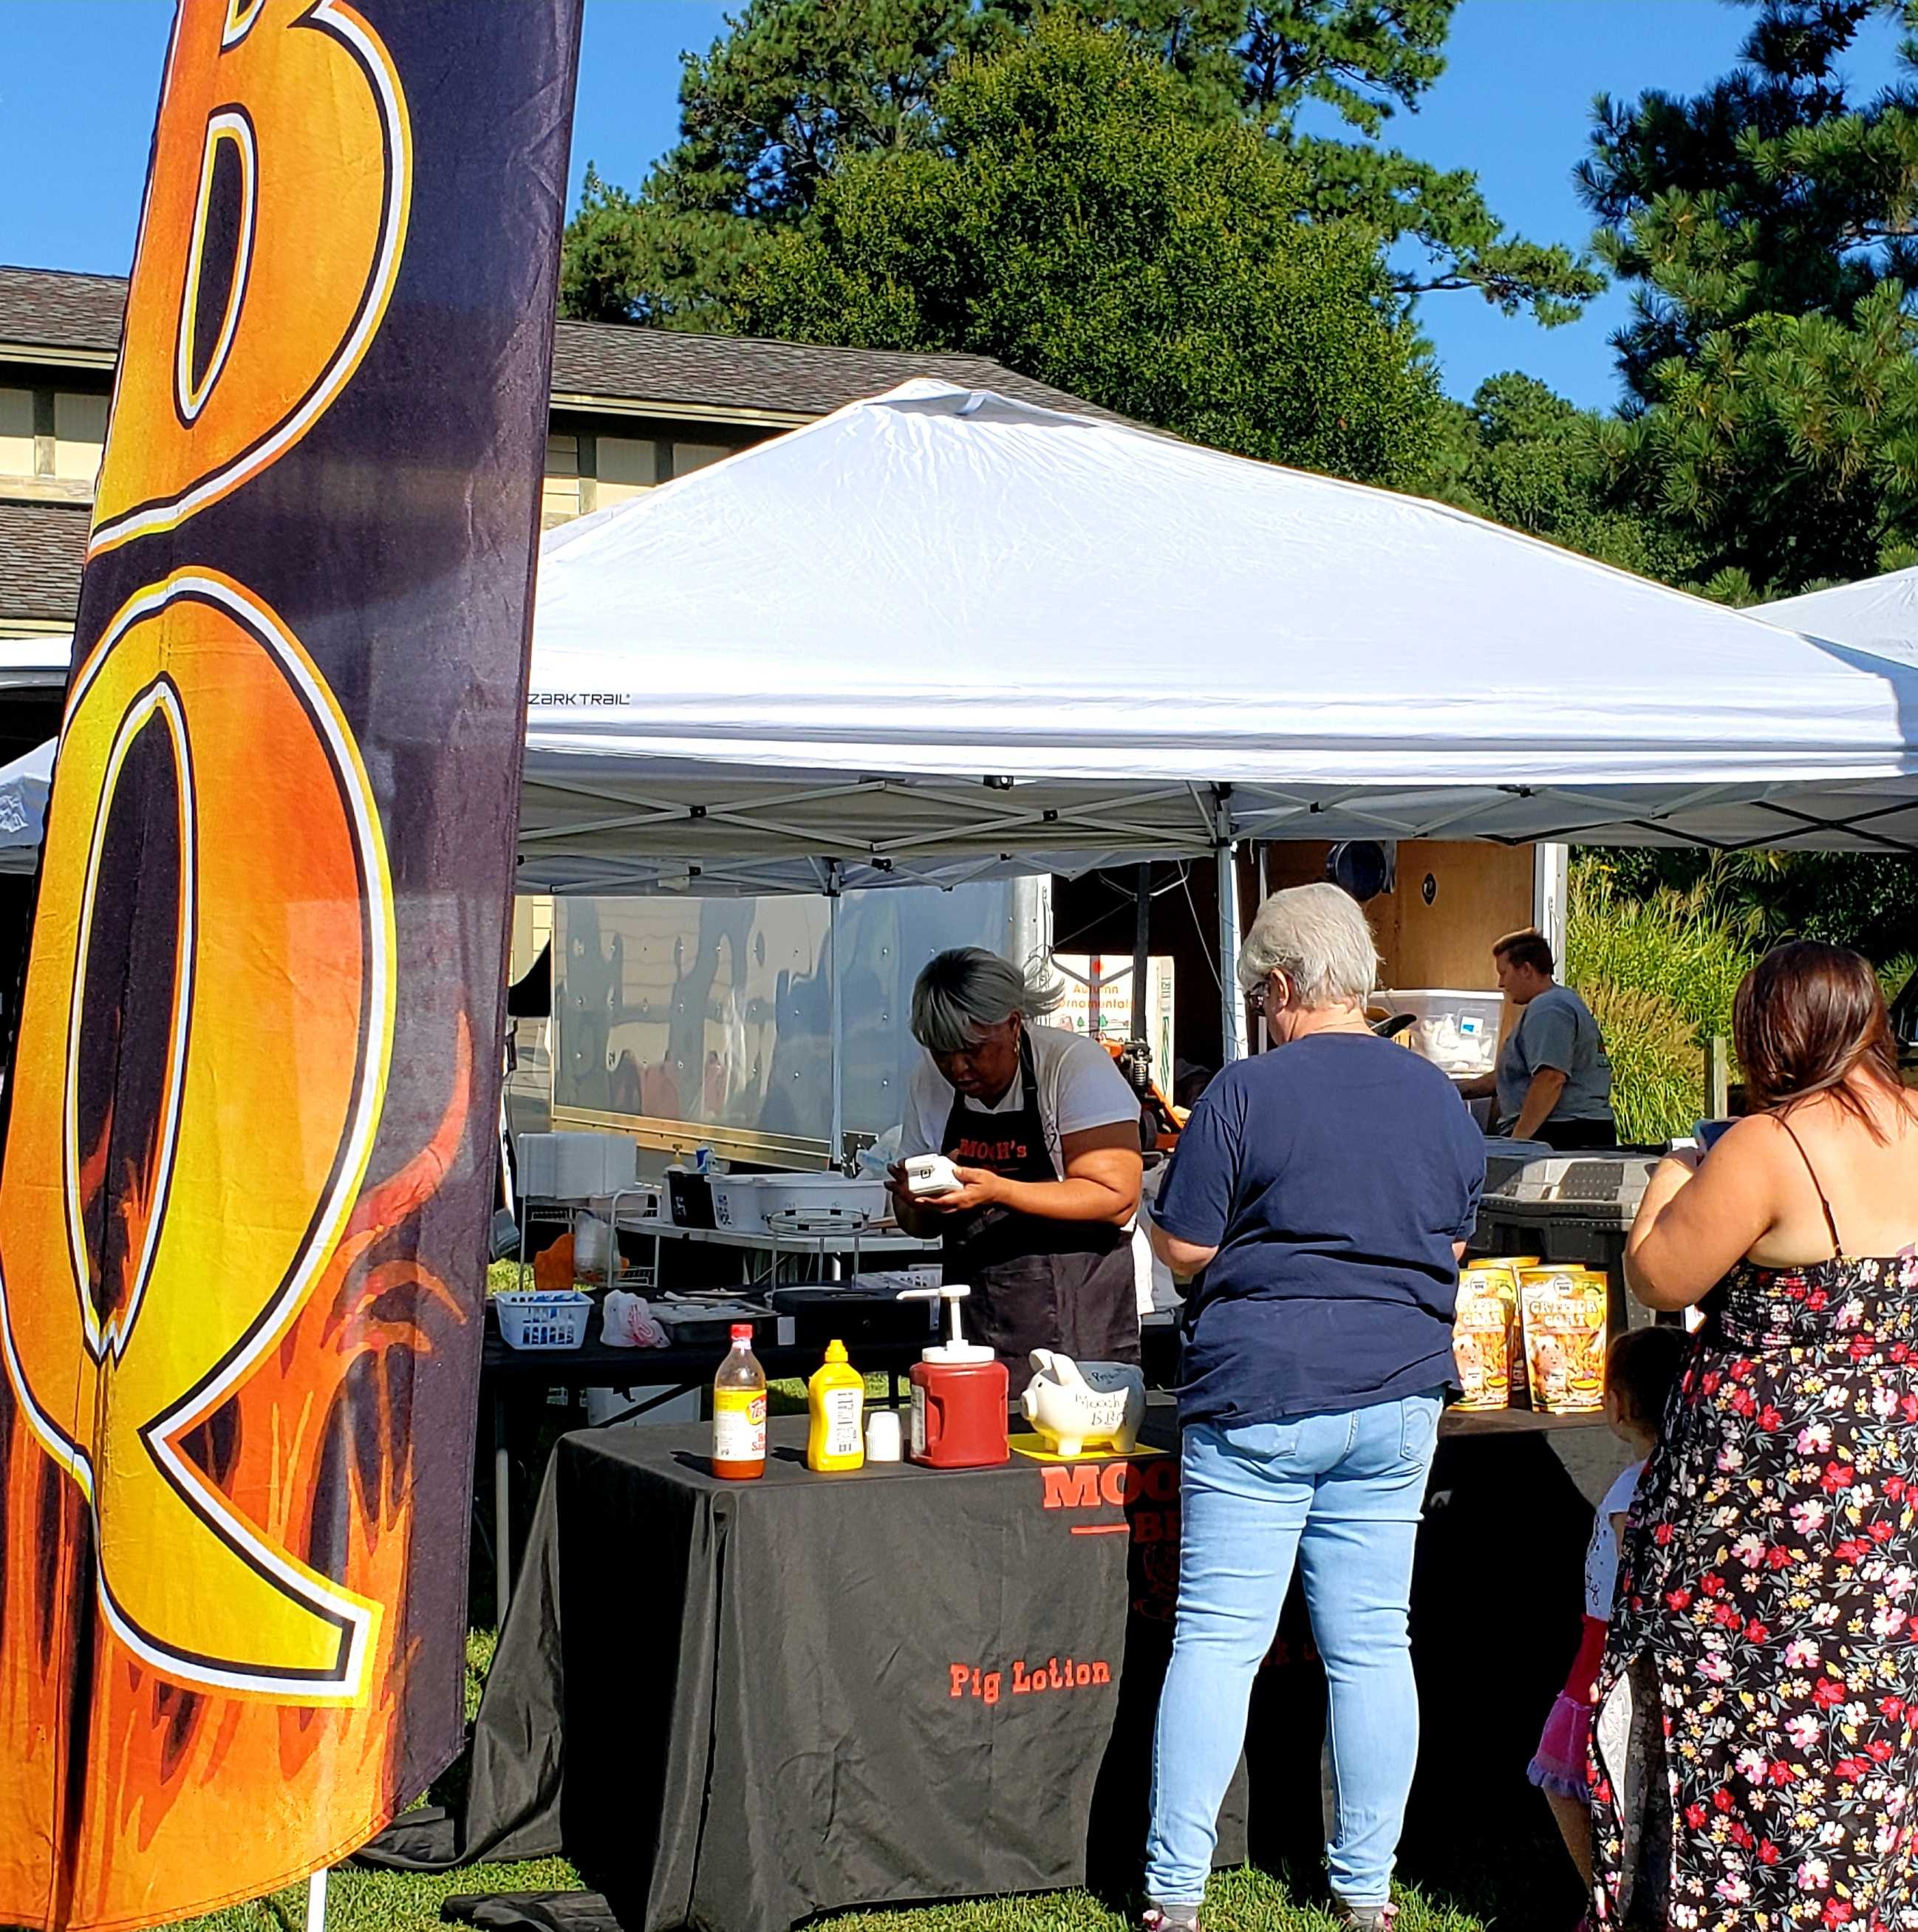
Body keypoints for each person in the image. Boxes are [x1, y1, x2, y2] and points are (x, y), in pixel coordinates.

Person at [1139, 884, 1486, 1932]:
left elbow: (1188, 1247)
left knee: (1216, 1642)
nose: (1261, 1013)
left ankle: (1173, 1894)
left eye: (1260, 996)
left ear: (1285, 984)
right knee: (1374, 1644)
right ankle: (1366, 1888)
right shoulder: (1438, 1095)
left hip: (1263, 1387)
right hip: (1398, 1387)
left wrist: (1161, 1210)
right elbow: (1451, 1241)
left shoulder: (1244, 1090)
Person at [1593, 941, 1918, 1931]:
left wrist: (1673, 1170)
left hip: (1764, 1495)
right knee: (1863, 1702)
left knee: (1742, 1703)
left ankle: (1737, 1903)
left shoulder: (1767, 1143)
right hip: (1886, 1470)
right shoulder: (1914, 1123)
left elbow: (1660, 1273)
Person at [887, 949, 1143, 1393]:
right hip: (976, 1318)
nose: (957, 1068)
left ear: (1012, 1023)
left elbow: (1116, 1197)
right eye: (943, 1053)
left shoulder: (1072, 1066)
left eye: (973, 1050)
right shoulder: (929, 1081)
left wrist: (998, 1190)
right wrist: (919, 1202)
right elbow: (914, 1223)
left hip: (1081, 1313)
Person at [1526, 1325, 1687, 1925]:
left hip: (1603, 1655)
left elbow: (1636, 1583)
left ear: (1616, 1407)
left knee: (1564, 1773)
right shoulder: (1685, 1480)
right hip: (1645, 1655)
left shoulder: (1629, 1490)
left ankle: (1603, 1896)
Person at [1458, 927, 1614, 1148]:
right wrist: (1457, 1090)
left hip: (1562, 1133)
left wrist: (1518, 1142)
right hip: (1575, 1129)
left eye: (1504, 973)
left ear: (1526, 970)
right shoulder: (1562, 1001)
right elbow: (1509, 1077)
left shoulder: (1549, 1009)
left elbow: (1550, 1078)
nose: (1501, 984)